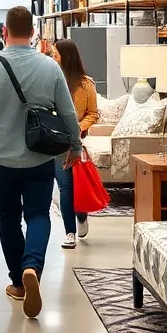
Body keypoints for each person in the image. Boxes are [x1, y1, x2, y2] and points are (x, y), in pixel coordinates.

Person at [0, 6, 83, 319]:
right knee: (40, 214)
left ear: (5, 31)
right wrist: (74, 144)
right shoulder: (49, 67)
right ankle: (33, 266)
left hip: (1, 158)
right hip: (40, 155)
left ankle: (18, 282)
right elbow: (68, 112)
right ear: (32, 33)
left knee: (8, 218)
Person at [51, 39, 101, 249]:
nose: (53, 57)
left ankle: (81, 214)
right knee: (64, 186)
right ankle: (69, 232)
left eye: (55, 54)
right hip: (56, 141)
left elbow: (93, 113)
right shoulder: (51, 80)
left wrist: (79, 127)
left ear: (66, 56)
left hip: (76, 141)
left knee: (78, 183)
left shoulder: (85, 84)